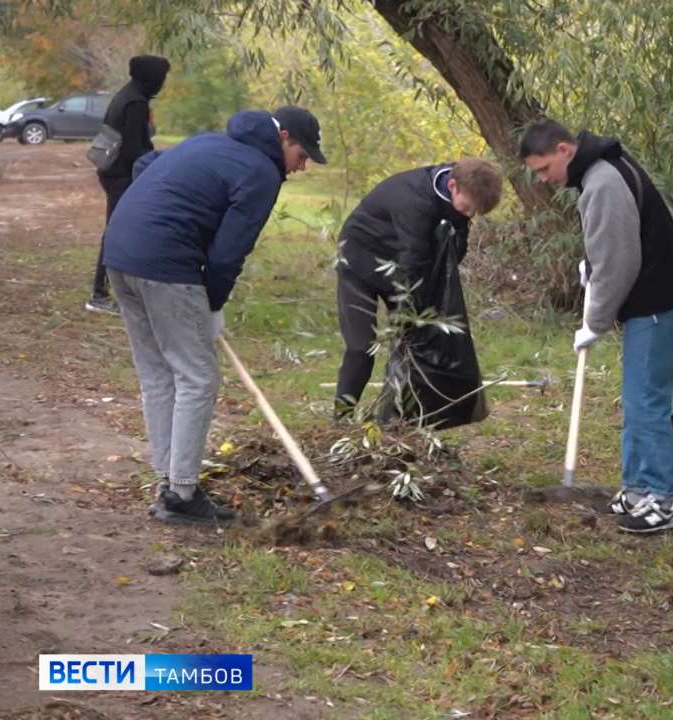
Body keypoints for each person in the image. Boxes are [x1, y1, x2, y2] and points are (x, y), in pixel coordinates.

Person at [103, 106, 325, 526]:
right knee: (197, 376)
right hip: (164, 264)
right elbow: (228, 254)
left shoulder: (210, 141)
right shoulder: (261, 172)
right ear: (283, 139)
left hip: (119, 252)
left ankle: (169, 482)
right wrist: (212, 304)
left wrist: (155, 216)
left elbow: (146, 164)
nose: (304, 165)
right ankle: (182, 493)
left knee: (159, 374)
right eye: (302, 154)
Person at [520, 119, 673, 534]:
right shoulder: (598, 169)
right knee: (636, 396)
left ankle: (664, 500)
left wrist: (595, 322)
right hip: (653, 294)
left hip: (658, 300)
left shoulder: (601, 181)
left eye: (544, 169)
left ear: (564, 150)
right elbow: (616, 240)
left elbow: (620, 264)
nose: (545, 180)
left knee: (645, 399)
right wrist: (592, 264)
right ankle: (637, 489)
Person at [332, 158, 504, 419]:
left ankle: (398, 421)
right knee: (361, 347)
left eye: (475, 213)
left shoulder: (461, 195)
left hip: (400, 264)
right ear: (452, 185)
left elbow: (449, 253)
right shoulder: (415, 200)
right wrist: (414, 310)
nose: (469, 215)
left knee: (411, 345)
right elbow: (415, 261)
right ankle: (341, 418)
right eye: (468, 207)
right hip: (360, 261)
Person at [88, 54, 171, 315]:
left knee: (122, 229)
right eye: (162, 78)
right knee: (116, 230)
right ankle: (99, 295)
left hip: (115, 172)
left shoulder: (129, 94)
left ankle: (126, 289)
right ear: (152, 77)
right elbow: (136, 149)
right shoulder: (135, 102)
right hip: (121, 175)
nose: (163, 84)